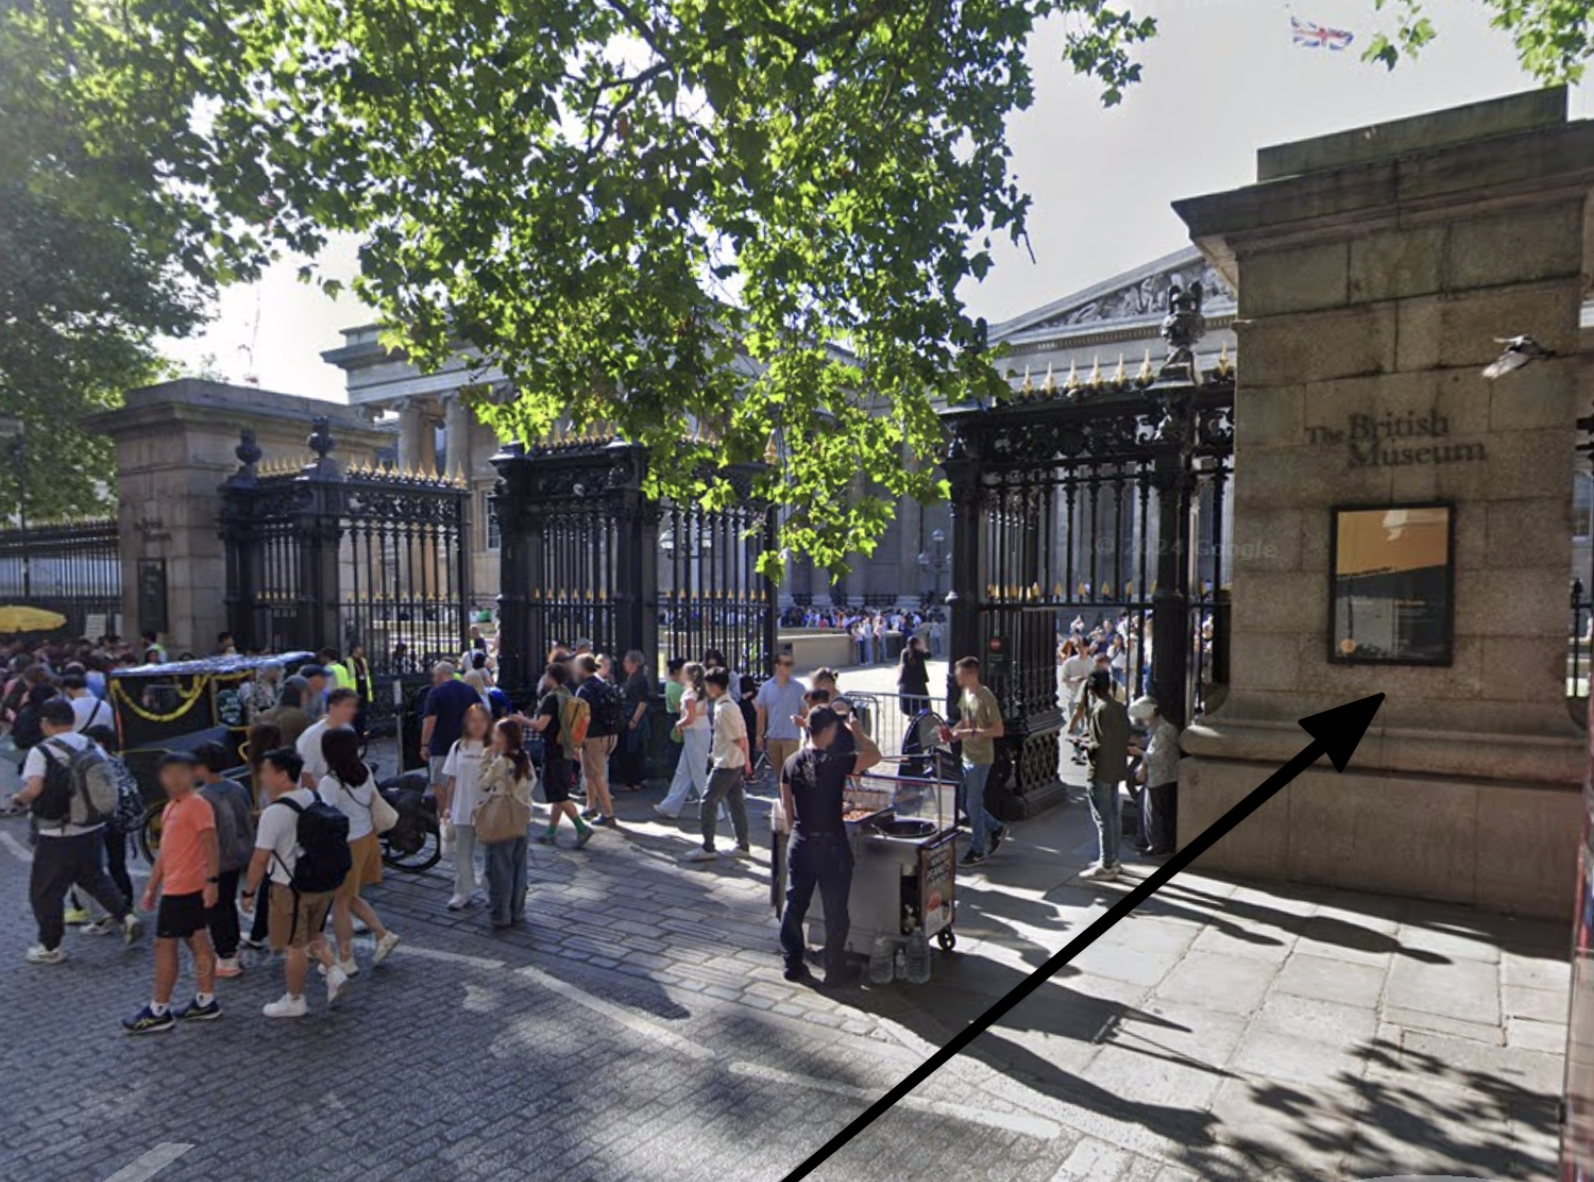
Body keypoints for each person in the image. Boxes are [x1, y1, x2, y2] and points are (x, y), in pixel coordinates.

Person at [10, 700, 142, 963]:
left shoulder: (42, 751)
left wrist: (17, 799)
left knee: (45, 891)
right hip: (92, 825)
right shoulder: (92, 745)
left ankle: (50, 947)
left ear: (46, 722)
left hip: (57, 831)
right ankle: (126, 916)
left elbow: (34, 789)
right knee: (94, 876)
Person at [240, 748, 349, 1018]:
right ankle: (334, 972)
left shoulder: (275, 812)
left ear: (281, 775)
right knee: (315, 933)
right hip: (322, 881)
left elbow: (259, 859)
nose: (262, 777)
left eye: (266, 771)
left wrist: (248, 892)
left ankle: (295, 999)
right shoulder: (312, 796)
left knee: (294, 946)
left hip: (289, 887)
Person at [777, 706, 881, 987]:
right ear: (826, 730)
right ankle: (834, 968)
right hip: (832, 844)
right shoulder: (837, 761)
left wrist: (797, 832)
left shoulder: (790, 762)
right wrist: (858, 731)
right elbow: (875, 755)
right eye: (835, 729)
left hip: (801, 841)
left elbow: (788, 812)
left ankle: (792, 962)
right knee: (836, 909)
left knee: (795, 904)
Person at [123, 754, 221, 1034]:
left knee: (165, 945)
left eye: (180, 772)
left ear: (193, 775)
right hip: (177, 887)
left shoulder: (197, 805)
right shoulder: (171, 807)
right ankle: (205, 999)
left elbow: (211, 844)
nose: (174, 779)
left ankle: (159, 1009)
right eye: (168, 773)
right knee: (197, 940)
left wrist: (212, 881)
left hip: (187, 888)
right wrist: (153, 886)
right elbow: (165, 852)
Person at [317, 726, 401, 971]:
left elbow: (325, 818)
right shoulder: (363, 770)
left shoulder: (330, 782)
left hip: (346, 845)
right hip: (367, 839)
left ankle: (345, 959)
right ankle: (382, 935)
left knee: (340, 903)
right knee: (349, 897)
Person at [194, 742, 255, 979]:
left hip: (215, 861)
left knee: (215, 909)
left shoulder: (202, 798)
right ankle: (233, 947)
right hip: (239, 853)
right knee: (227, 903)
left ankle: (227, 957)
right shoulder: (238, 787)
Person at [683, 668, 753, 863]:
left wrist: (746, 760)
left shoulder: (725, 709)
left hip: (727, 762)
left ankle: (708, 846)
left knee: (708, 802)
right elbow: (742, 735)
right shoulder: (730, 705)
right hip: (733, 761)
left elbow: (739, 738)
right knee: (735, 803)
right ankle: (742, 844)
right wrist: (746, 761)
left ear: (714, 686)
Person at [524, 664, 596, 849]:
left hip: (554, 750)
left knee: (559, 794)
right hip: (566, 748)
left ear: (551, 677)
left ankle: (581, 828)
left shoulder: (551, 699)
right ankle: (550, 833)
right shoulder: (567, 694)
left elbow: (540, 725)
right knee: (559, 792)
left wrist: (521, 719)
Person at [950, 657, 1008, 868]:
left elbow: (998, 730)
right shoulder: (966, 694)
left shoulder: (986, 697)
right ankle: (996, 828)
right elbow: (965, 721)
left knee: (972, 804)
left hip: (981, 758)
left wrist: (970, 732)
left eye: (959, 673)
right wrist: (953, 733)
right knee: (966, 801)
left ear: (970, 674)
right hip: (967, 754)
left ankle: (977, 849)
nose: (956, 677)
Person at [479, 718, 535, 929]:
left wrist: (486, 756)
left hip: (502, 817)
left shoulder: (501, 762)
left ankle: (501, 914)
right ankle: (517, 911)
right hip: (522, 815)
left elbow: (484, 783)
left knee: (500, 867)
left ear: (503, 738)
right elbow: (531, 784)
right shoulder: (525, 758)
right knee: (520, 867)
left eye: (496, 734)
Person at [439, 703, 492, 909]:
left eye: (481, 720)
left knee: (488, 853)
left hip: (487, 809)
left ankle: (490, 891)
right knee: (462, 852)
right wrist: (447, 806)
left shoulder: (494, 747)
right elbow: (452, 779)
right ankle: (462, 892)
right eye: (473, 720)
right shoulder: (458, 746)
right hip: (462, 807)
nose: (477, 725)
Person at [1081, 669, 1131, 881]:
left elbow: (1099, 744)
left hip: (1100, 769)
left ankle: (1107, 862)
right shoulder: (1119, 707)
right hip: (1116, 767)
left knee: (1103, 818)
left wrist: (1085, 745)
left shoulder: (1099, 709)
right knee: (1113, 814)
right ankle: (1114, 858)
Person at [655, 661, 710, 819]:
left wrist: (679, 723)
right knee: (683, 771)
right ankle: (670, 806)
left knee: (697, 772)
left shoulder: (689, 693)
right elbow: (702, 712)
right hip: (699, 731)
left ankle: (713, 808)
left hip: (694, 732)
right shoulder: (699, 692)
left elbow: (690, 717)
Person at [1127, 696, 1180, 857]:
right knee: (1160, 812)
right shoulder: (1161, 726)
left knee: (1155, 813)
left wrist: (1139, 752)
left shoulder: (1163, 729)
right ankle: (1159, 843)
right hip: (1165, 776)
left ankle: (1158, 845)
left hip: (1160, 777)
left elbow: (1157, 757)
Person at [420, 661, 481, 800]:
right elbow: (480, 715)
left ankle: (445, 816)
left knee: (440, 784)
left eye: (435, 676)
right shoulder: (469, 690)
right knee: (463, 783)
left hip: (441, 746)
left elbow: (430, 720)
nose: (433, 680)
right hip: (466, 744)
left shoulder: (435, 692)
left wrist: (424, 744)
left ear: (440, 675)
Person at [573, 654, 620, 827]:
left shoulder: (584, 690)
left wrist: (576, 741)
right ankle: (590, 806)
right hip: (609, 734)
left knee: (597, 775)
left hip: (592, 736)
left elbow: (581, 719)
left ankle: (608, 814)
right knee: (590, 772)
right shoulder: (602, 684)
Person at [754, 655, 807, 781]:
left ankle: (791, 799)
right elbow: (762, 712)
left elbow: (805, 713)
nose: (789, 667)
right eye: (786, 664)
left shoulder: (799, 688)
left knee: (789, 774)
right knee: (779, 775)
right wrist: (759, 734)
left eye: (790, 664)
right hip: (773, 737)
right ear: (777, 665)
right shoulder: (766, 687)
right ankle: (783, 799)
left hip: (791, 737)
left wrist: (808, 735)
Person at [296, 686, 359, 790]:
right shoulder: (312, 737)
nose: (353, 710)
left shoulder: (349, 730)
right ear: (332, 707)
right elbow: (304, 775)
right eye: (348, 706)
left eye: (354, 706)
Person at [614, 650, 652, 793]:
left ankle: (633, 780)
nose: (625, 664)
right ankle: (633, 779)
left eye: (627, 662)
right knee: (631, 749)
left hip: (634, 717)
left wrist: (635, 719)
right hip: (627, 715)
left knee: (633, 749)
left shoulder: (639, 679)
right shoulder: (631, 678)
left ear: (635, 663)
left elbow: (643, 701)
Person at [264, 676, 313, 750]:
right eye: (307, 694)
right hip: (288, 758)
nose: (309, 699)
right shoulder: (300, 717)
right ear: (301, 694)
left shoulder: (265, 714)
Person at [662, 657, 687, 777]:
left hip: (673, 719)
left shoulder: (671, 685)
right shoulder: (676, 687)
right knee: (677, 753)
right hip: (677, 719)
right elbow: (679, 708)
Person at [896, 635, 931, 717]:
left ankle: (911, 714)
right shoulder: (919, 653)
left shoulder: (905, 652)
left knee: (909, 700)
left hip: (907, 682)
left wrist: (899, 678)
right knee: (921, 701)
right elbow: (928, 655)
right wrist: (923, 647)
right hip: (919, 682)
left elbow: (902, 666)